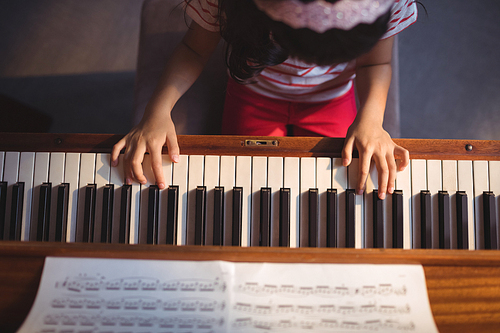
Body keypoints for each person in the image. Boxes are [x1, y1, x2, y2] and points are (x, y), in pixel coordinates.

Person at [111, 0, 417, 199]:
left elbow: (374, 63)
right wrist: (157, 111)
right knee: (245, 187)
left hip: (331, 100)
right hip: (254, 94)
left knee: (342, 187)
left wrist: (372, 121)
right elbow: (193, 49)